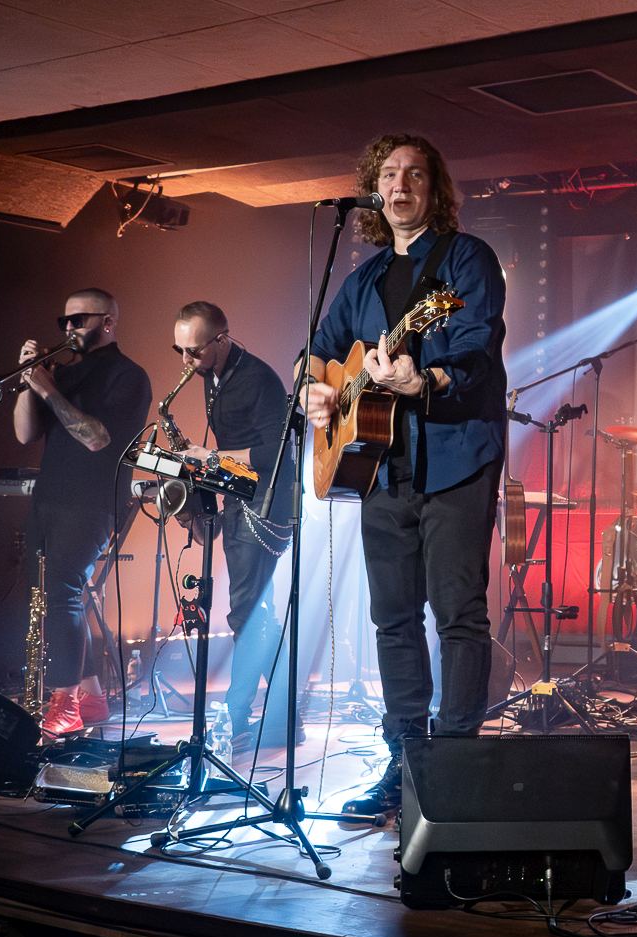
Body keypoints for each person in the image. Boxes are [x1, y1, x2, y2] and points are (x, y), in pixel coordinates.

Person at [301, 134, 507, 817]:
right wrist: (317, 392)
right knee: (392, 617)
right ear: (372, 190)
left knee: (458, 614)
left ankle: (453, 761)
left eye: (415, 174)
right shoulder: (359, 281)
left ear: (433, 189)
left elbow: (478, 350)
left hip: (455, 460)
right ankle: (405, 758)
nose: (400, 184)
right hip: (379, 471)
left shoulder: (465, 261)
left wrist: (425, 379)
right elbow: (318, 355)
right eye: (388, 174)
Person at [14, 287, 152, 736]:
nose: (68, 328)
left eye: (79, 320)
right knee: (54, 596)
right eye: (64, 322)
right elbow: (24, 433)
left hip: (91, 502)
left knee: (65, 595)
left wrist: (49, 388)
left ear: (108, 322)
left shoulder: (129, 377)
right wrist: (28, 382)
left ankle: (65, 704)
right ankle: (92, 698)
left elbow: (96, 438)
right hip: (49, 498)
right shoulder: (66, 374)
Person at [170, 301, 296, 752]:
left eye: (194, 351)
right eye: (178, 350)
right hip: (241, 498)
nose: (186, 362)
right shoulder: (211, 374)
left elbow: (273, 453)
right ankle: (284, 714)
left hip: (266, 504)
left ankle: (239, 715)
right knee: (256, 613)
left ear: (222, 340)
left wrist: (211, 459)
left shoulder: (258, 379)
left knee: (245, 612)